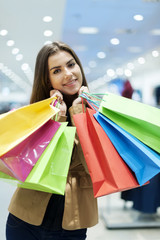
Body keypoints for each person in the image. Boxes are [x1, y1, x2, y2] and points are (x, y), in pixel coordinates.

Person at [6, 41, 98, 240]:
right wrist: (59, 118)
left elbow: (94, 166)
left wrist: (80, 113)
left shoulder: (98, 113)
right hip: (25, 218)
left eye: (71, 64)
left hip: (73, 224)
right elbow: (41, 165)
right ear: (47, 80)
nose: (68, 73)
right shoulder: (38, 114)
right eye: (56, 70)